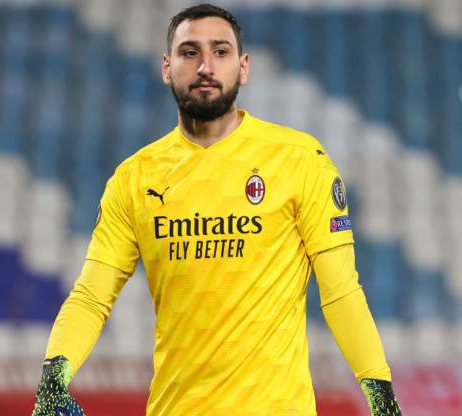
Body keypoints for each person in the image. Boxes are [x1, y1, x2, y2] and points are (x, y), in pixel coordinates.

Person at [31, 3, 402, 415]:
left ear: (243, 67)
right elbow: (91, 297)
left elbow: (341, 291)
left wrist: (380, 394)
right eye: (190, 52)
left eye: (220, 52)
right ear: (166, 68)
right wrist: (53, 378)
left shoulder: (299, 161)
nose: (205, 66)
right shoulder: (133, 180)